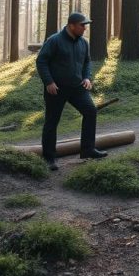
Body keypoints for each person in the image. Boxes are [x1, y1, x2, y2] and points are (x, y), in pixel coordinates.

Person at [36, 12, 108, 170]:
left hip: (77, 87)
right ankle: (49, 158)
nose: (85, 28)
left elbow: (87, 62)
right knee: (52, 121)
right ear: (71, 26)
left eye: (85, 25)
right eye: (83, 25)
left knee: (90, 111)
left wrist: (87, 77)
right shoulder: (54, 40)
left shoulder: (83, 43)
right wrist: (49, 82)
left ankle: (88, 150)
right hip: (56, 89)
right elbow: (41, 61)